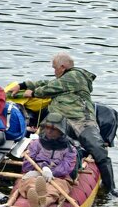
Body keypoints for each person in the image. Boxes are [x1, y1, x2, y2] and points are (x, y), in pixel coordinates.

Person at [14, 52, 113, 195]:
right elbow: (47, 83)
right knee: (46, 143)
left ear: (62, 67)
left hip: (81, 121)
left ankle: (110, 189)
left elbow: (46, 88)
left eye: (55, 68)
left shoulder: (75, 75)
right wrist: (22, 84)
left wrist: (33, 93)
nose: (54, 71)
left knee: (99, 151)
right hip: (62, 123)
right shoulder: (63, 80)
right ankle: (40, 174)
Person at [10, 112, 77, 207]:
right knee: (30, 183)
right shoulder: (35, 144)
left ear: (61, 131)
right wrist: (41, 169)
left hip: (58, 178)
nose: (49, 131)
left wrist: (51, 172)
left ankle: (43, 202)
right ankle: (36, 196)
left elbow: (66, 168)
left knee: (54, 190)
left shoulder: (70, 149)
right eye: (47, 127)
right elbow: (27, 165)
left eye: (53, 129)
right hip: (35, 175)